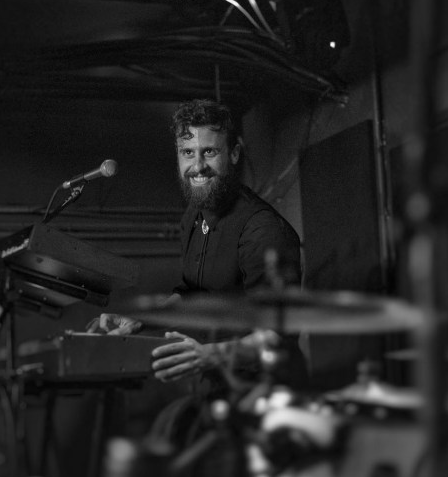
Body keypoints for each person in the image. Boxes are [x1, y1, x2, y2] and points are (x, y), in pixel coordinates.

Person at [89, 98, 305, 385]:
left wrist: (208, 355)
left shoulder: (262, 231)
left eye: (210, 152)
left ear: (234, 153)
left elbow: (279, 337)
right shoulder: (193, 215)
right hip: (218, 386)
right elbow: (192, 292)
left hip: (268, 395)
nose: (198, 166)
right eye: (188, 152)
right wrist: (142, 321)